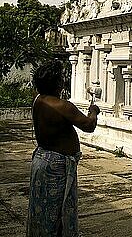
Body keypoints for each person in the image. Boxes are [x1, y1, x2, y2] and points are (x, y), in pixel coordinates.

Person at [26, 59, 100, 237]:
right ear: (57, 83)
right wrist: (94, 111)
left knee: (42, 211)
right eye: (60, 79)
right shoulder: (61, 105)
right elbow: (88, 125)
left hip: (42, 159)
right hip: (56, 165)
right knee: (58, 212)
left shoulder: (38, 100)